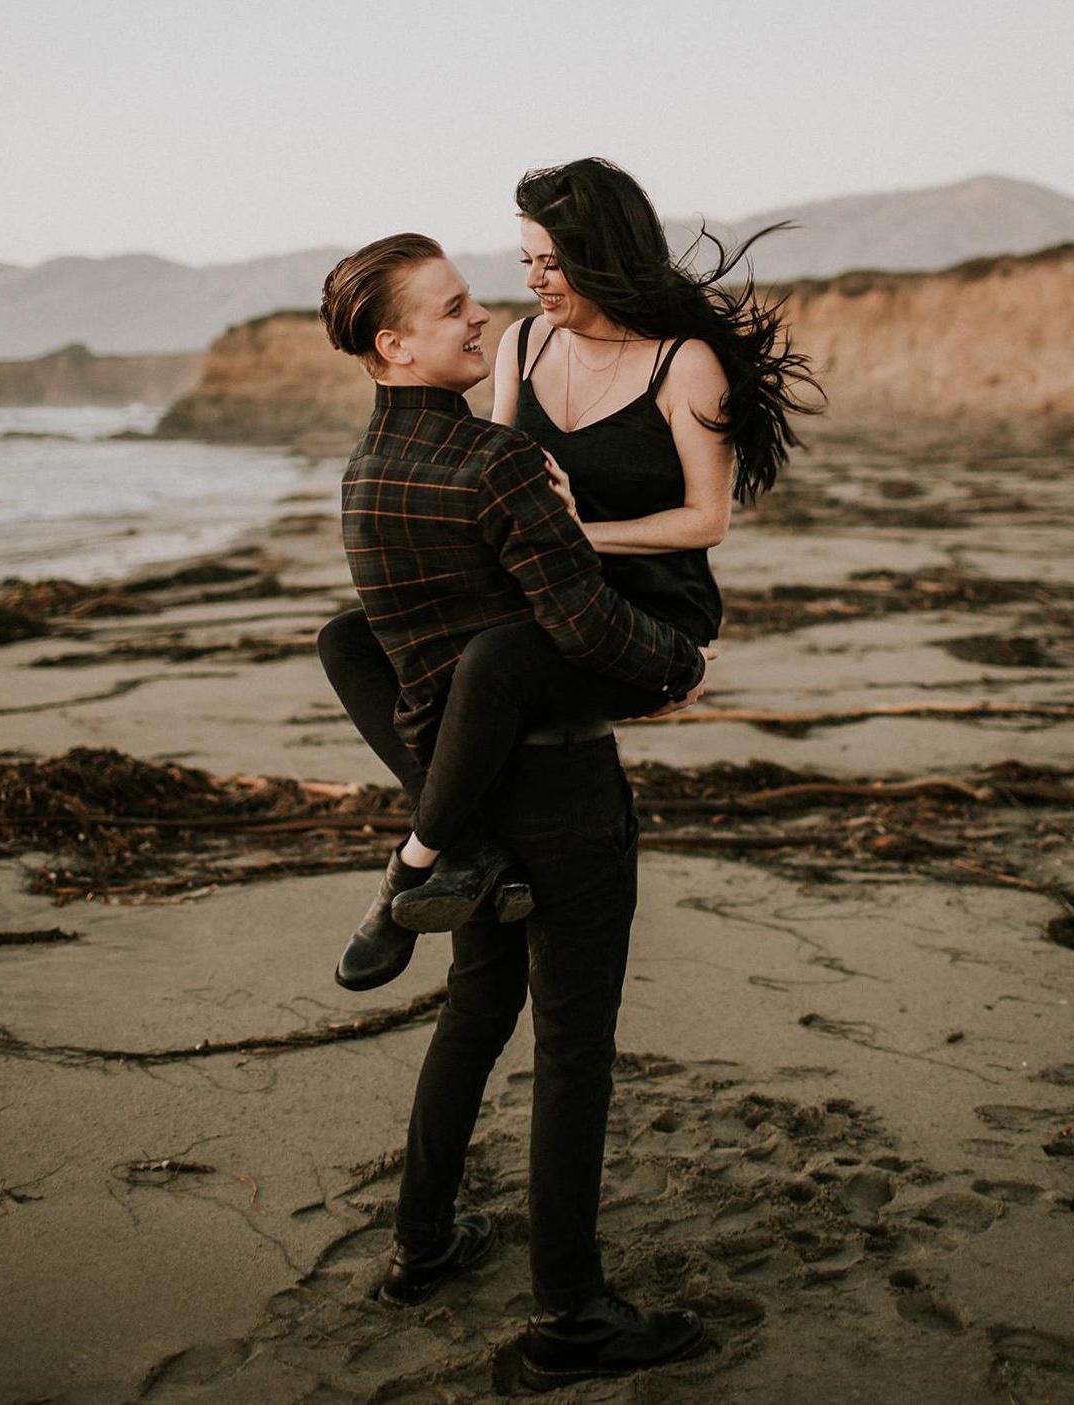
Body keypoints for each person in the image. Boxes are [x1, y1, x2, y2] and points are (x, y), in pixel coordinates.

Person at [317, 229, 714, 1388]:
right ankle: (570, 1315)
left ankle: (422, 1243)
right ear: (393, 343)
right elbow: (582, 623)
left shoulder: (365, 472)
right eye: (451, 309)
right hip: (562, 793)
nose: (482, 315)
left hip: (476, 810)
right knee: (574, 1049)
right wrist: (678, 663)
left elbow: (398, 648)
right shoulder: (495, 464)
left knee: (476, 1011)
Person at [319, 158, 818, 982]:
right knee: (347, 636)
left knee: (494, 659)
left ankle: (412, 864)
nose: (533, 280)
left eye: (551, 262)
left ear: (602, 256)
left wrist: (581, 532)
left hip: (646, 607)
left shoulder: (684, 363)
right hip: (549, 590)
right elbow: (496, 475)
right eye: (526, 260)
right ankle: (470, 844)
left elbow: (707, 520)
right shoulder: (523, 343)